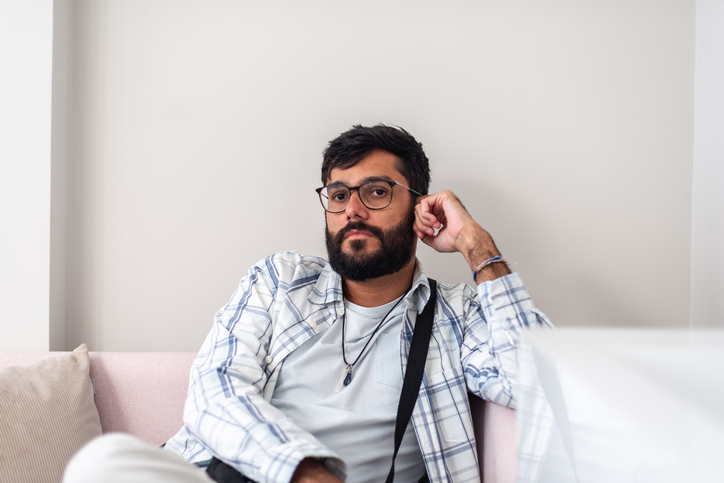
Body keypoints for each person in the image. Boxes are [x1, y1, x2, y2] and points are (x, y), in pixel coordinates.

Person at [64, 124, 552, 483]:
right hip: (231, 474)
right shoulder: (279, 280)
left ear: (422, 209)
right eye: (339, 195)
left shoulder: (458, 318)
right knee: (100, 463)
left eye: (376, 192)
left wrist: (477, 246)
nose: (352, 210)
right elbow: (215, 389)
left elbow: (543, 385)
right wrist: (302, 470)